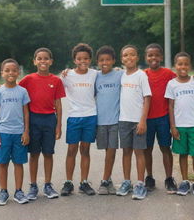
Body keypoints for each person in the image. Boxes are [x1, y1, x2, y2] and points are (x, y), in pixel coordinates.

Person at [19, 47, 66, 200]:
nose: (43, 61)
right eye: (39, 58)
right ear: (34, 61)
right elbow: (13, 89)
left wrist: (58, 125)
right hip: (33, 119)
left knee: (48, 153)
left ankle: (47, 184)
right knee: (34, 154)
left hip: (49, 119)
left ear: (51, 61)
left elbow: (58, 105)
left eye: (46, 58)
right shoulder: (28, 79)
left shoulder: (56, 80)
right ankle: (33, 185)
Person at [165, 52, 194, 196]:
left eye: (186, 64)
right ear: (175, 66)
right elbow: (170, 106)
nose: (183, 66)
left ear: (190, 66)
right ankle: (184, 182)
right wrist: (173, 126)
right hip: (180, 126)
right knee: (182, 154)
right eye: (180, 64)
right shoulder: (171, 84)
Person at [0, 58, 30, 205]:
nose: (11, 73)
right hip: (4, 133)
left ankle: (19, 191)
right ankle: (3, 191)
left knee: (18, 163)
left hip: (19, 133)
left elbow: (26, 113)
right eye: (7, 70)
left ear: (18, 72)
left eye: (14, 70)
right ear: (2, 73)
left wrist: (26, 132)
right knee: (3, 163)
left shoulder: (22, 91)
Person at [60, 43, 97, 196]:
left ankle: (84, 182)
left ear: (90, 59)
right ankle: (68, 182)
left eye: (86, 58)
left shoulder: (95, 74)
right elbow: (52, 86)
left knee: (85, 150)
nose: (83, 61)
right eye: (79, 58)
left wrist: (116, 69)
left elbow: (113, 73)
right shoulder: (67, 75)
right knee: (71, 150)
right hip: (74, 117)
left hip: (90, 116)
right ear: (74, 60)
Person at [116, 45, 151, 200]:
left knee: (139, 152)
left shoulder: (141, 75)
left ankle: (140, 184)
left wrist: (142, 120)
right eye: (125, 55)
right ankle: (126, 182)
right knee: (126, 152)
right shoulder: (121, 75)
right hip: (123, 120)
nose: (129, 57)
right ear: (121, 58)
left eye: (132, 55)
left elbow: (147, 98)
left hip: (138, 121)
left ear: (137, 57)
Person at [143, 43, 178, 193]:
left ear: (161, 57)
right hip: (147, 119)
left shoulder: (169, 74)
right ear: (146, 57)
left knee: (165, 148)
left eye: (156, 55)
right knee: (147, 149)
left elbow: (183, 81)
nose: (153, 58)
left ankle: (169, 178)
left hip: (163, 117)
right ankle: (149, 177)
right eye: (150, 55)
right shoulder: (142, 74)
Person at [95, 45, 123, 195]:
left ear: (113, 60)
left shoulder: (120, 75)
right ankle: (109, 180)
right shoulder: (95, 76)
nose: (104, 62)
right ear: (97, 62)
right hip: (99, 121)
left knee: (111, 150)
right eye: (101, 60)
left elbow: (137, 74)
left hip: (114, 121)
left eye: (107, 59)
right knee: (106, 151)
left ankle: (104, 180)